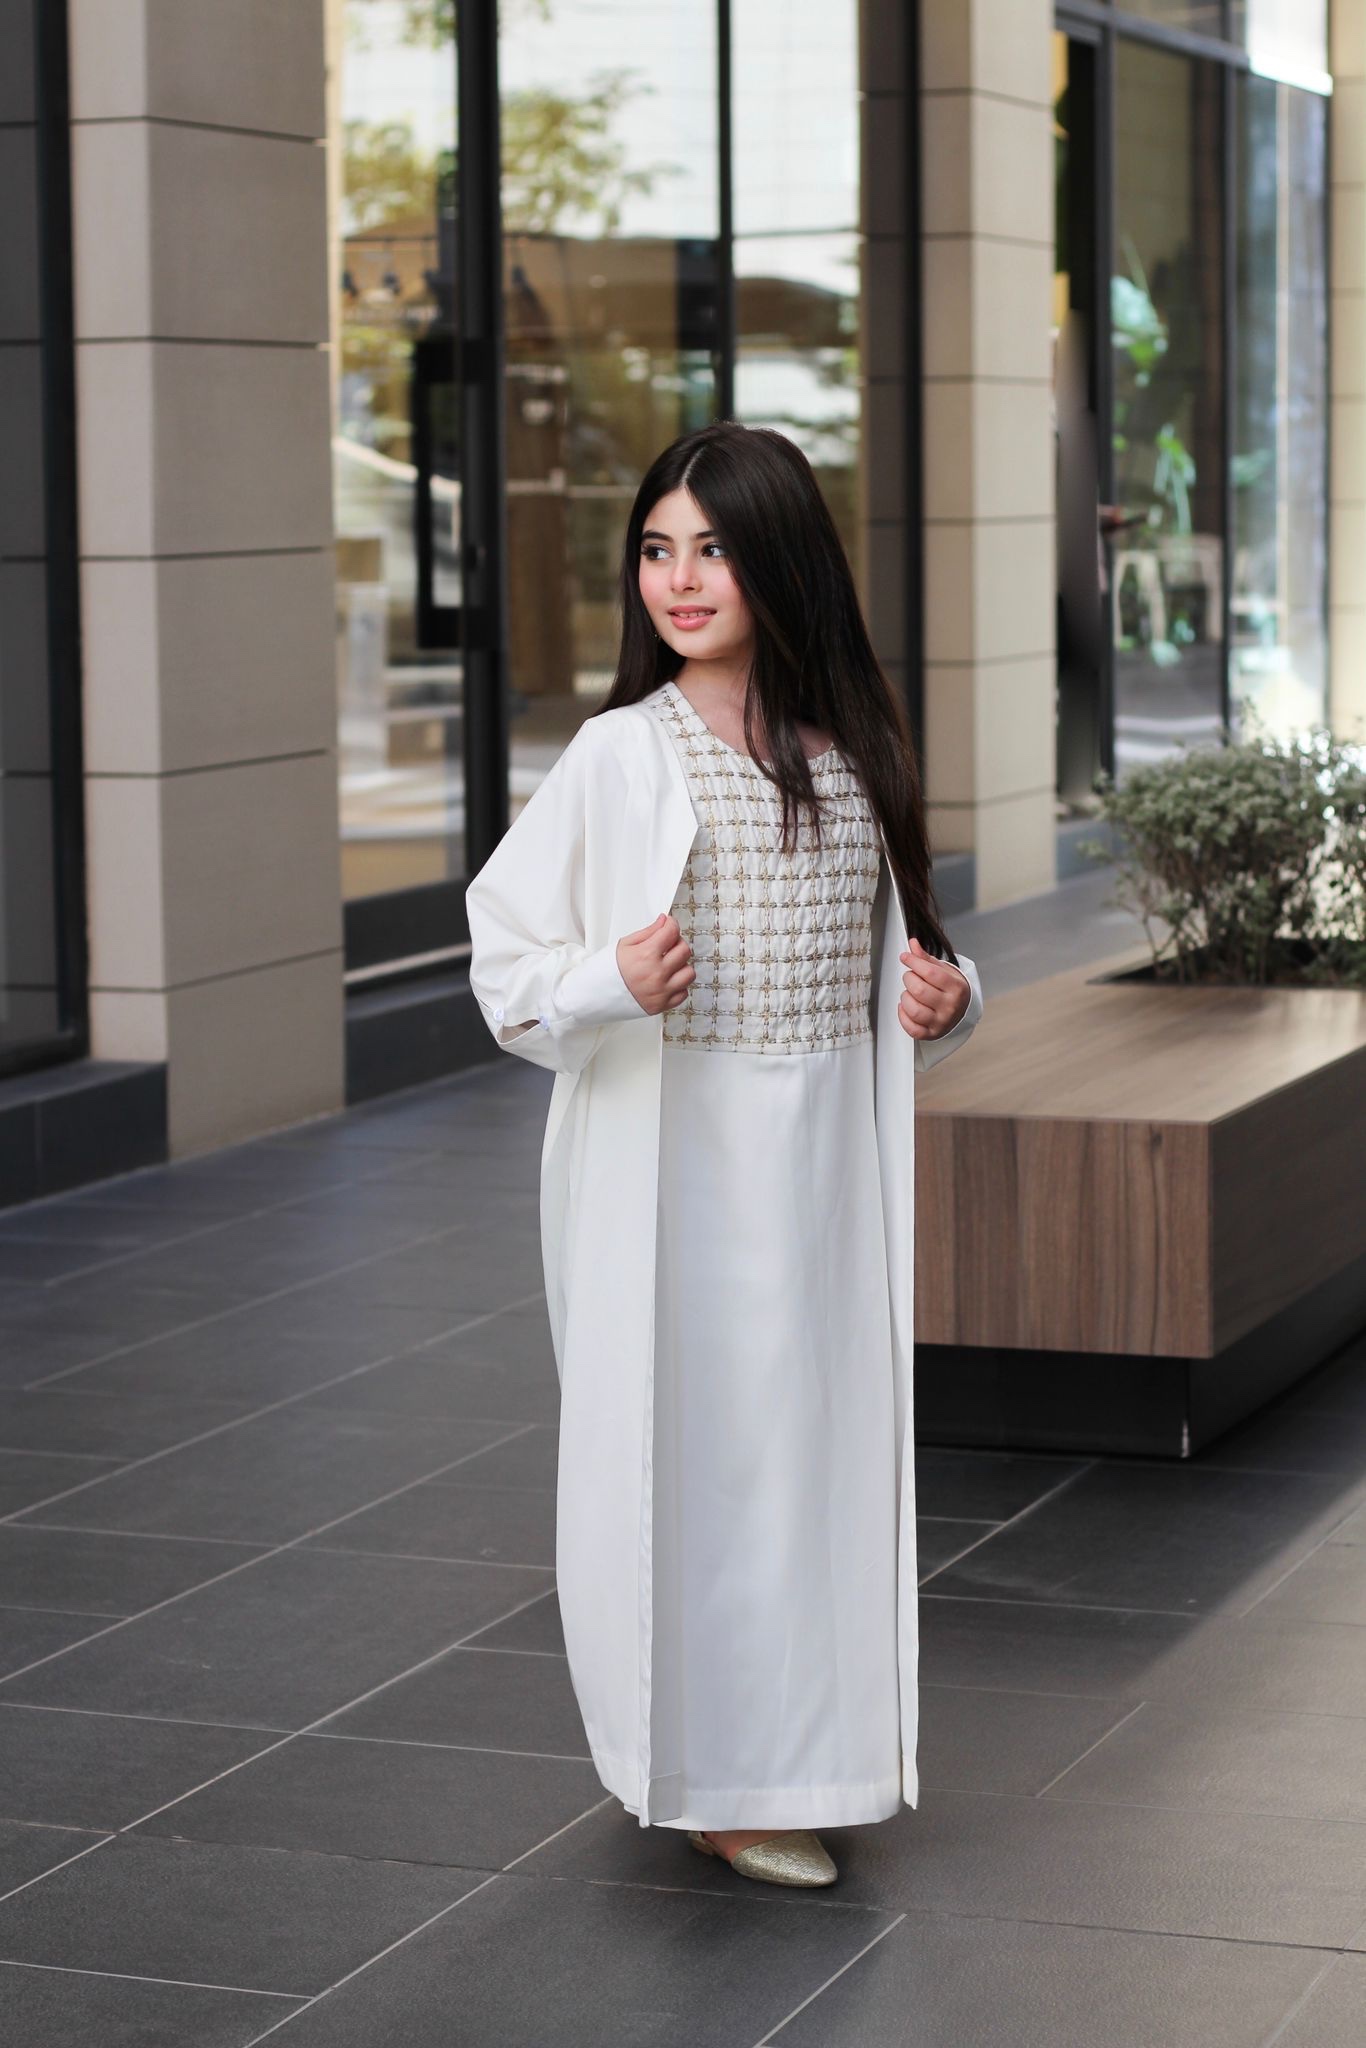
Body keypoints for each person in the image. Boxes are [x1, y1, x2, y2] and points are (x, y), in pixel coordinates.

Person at [465, 421, 983, 1890]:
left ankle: (803, 1755)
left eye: (712, 548)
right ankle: (713, 1776)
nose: (679, 580)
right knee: (700, 1470)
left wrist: (950, 1001)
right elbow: (505, 964)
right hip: (677, 1181)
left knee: (811, 1464)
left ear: (780, 561)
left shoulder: (854, 752)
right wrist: (608, 981)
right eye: (655, 549)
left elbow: (914, 956)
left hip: (822, 1178)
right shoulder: (622, 755)